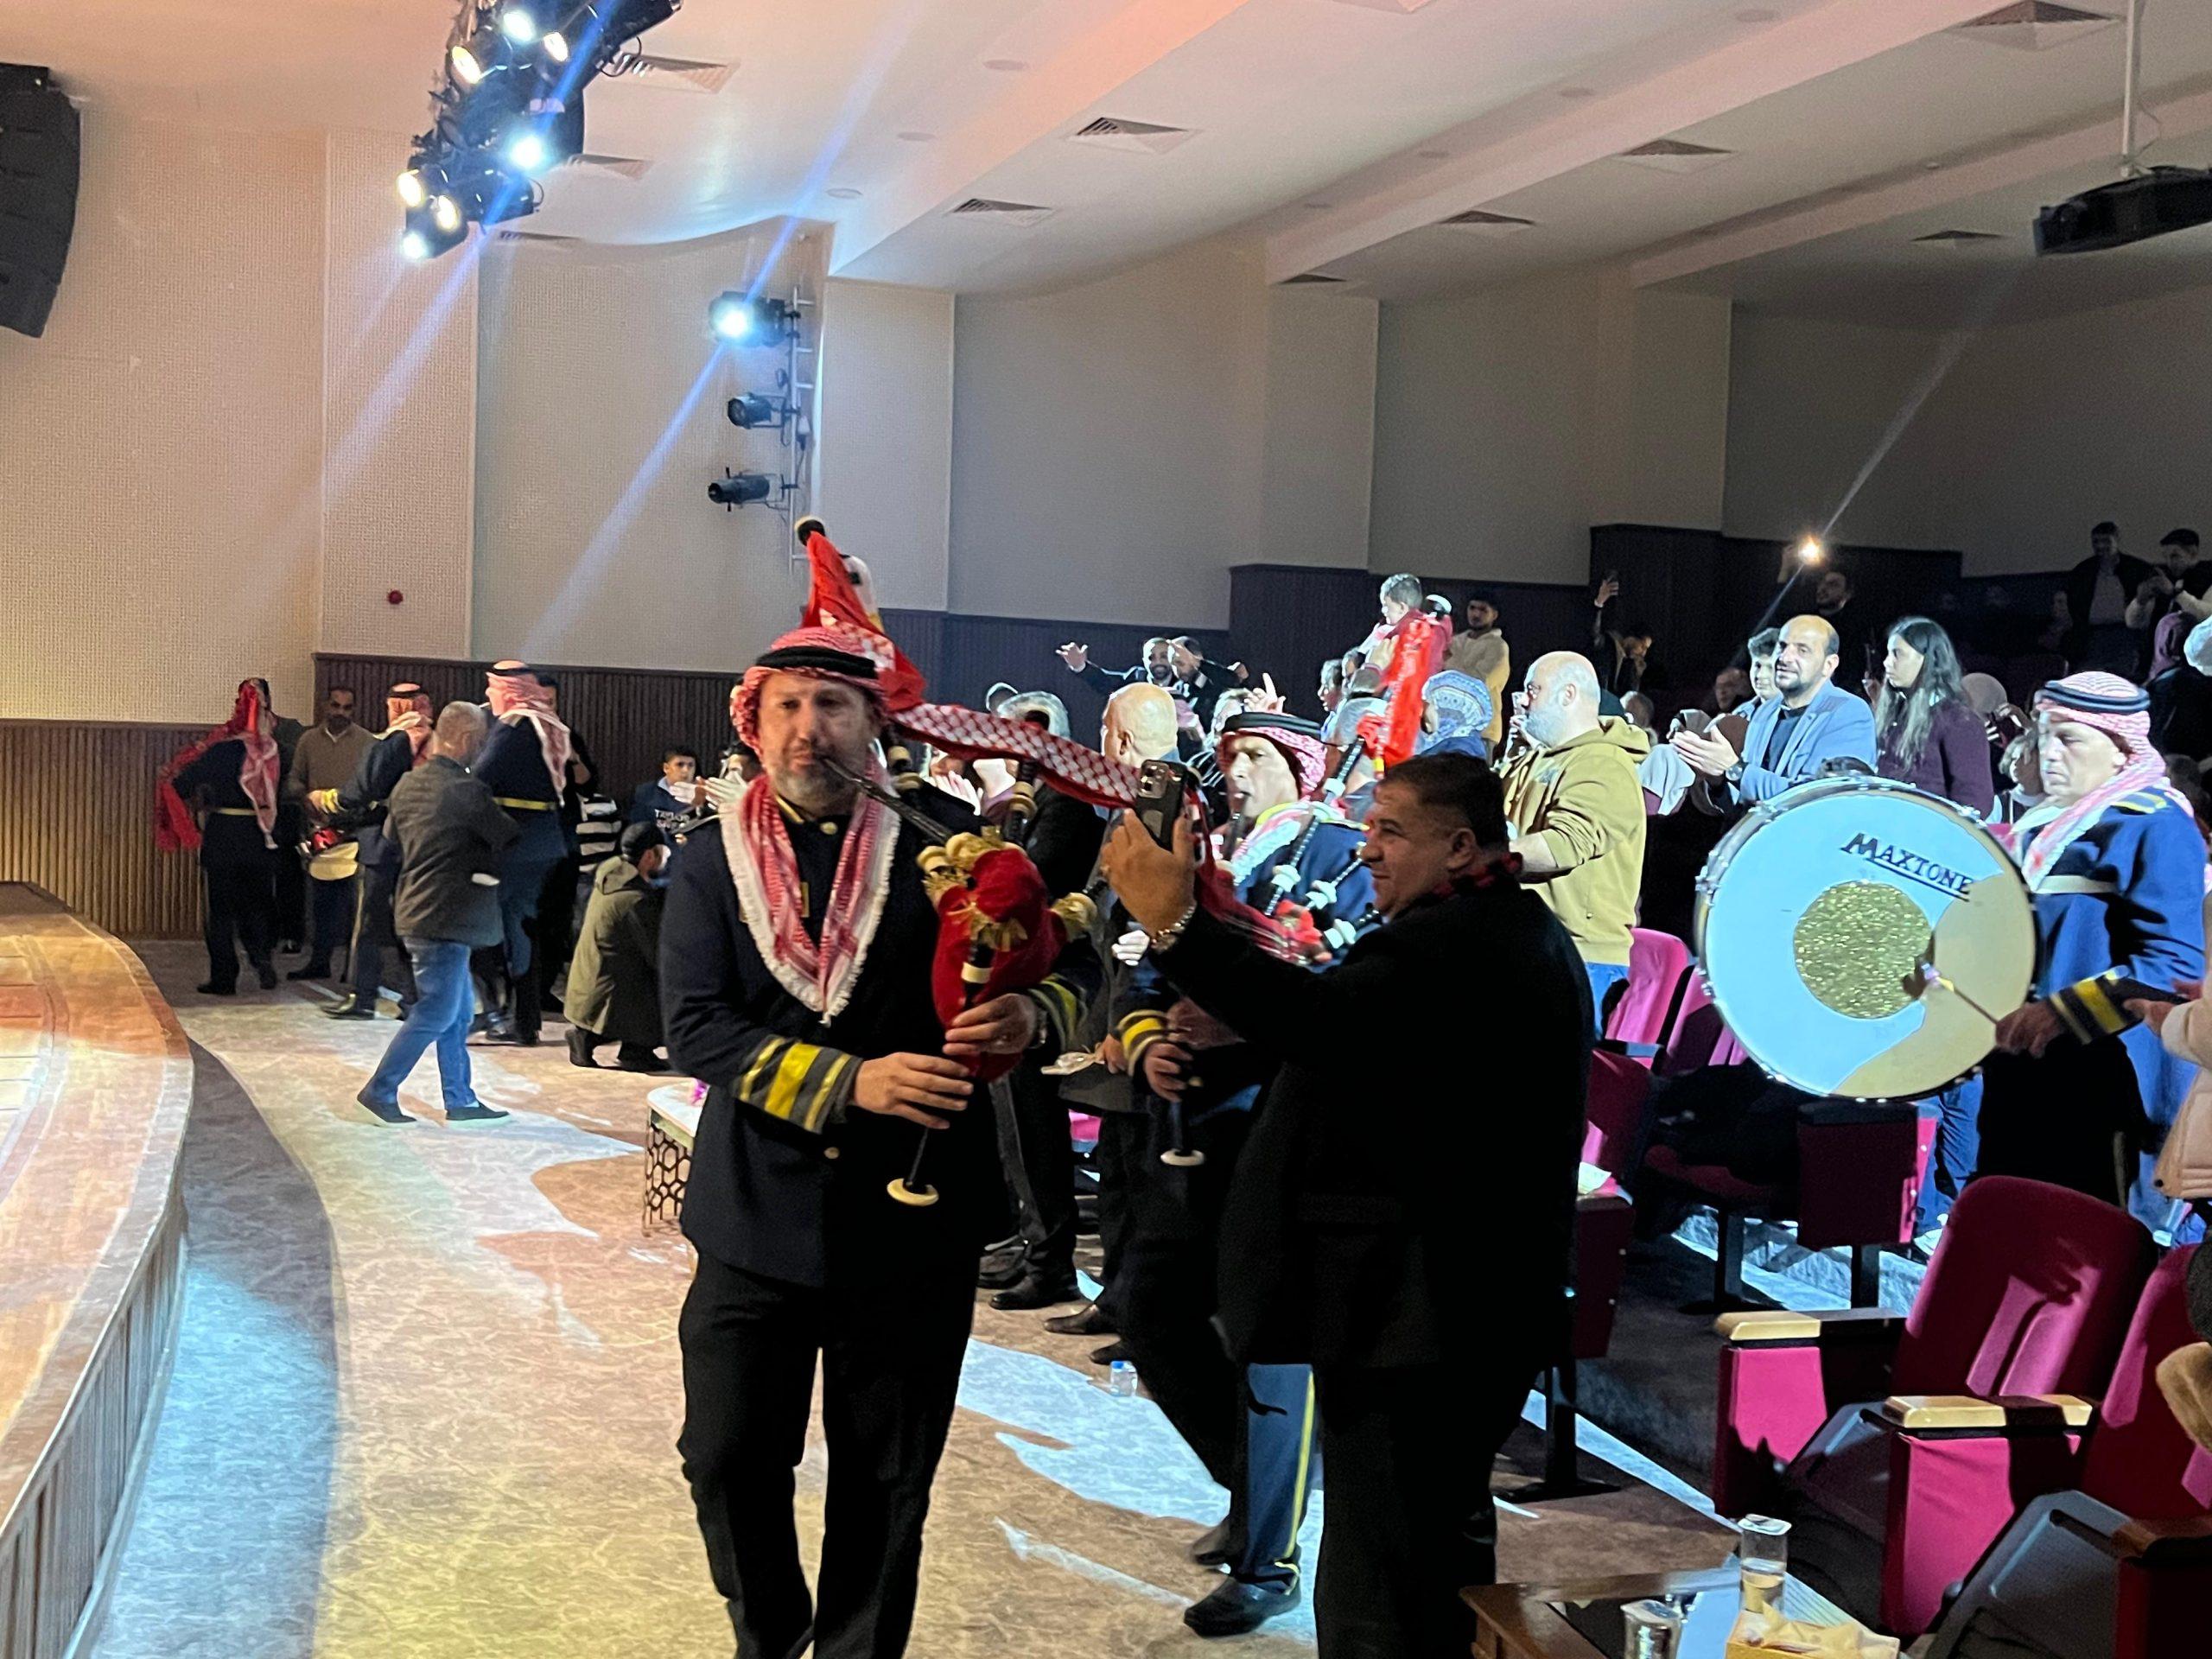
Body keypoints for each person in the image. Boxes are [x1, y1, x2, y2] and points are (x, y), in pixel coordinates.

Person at [660, 626, 1091, 1659]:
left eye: (832, 706)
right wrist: (853, 1082)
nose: (807, 729)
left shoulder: (955, 845)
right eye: (787, 707)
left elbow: (1072, 966)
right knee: (724, 1456)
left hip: (914, 1219)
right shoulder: (712, 858)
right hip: (754, 1214)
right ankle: (769, 1637)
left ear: (873, 722)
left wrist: (1031, 1017)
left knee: (888, 1478)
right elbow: (697, 1027)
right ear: (755, 723)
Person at [1100, 752, 1587, 1658]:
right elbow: (1365, 1043)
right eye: (1368, 828)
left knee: (1383, 1582)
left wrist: (1175, 924)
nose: (1366, 850)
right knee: (1420, 1556)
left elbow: (1329, 1024)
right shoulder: (1486, 929)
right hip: (1441, 1314)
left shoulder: (1460, 942)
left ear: (1460, 846)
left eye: (1390, 831)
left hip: (1428, 1319)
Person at [1113, 708, 1376, 1639]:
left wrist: (1240, 1021)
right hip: (1191, 1124)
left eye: (1258, 756)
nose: (1238, 772)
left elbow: (1340, 995)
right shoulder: (1204, 849)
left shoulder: (1340, 854)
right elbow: (1143, 964)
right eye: (1229, 757)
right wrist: (1147, 1039)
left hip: (1284, 1126)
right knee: (1147, 1308)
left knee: (1271, 1341)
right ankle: (1254, 1485)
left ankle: (1269, 1559)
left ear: (1301, 770)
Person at [1980, 673, 2206, 1211]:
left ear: (2120, 749)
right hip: (2024, 1069)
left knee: (2081, 1238)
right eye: (2043, 735)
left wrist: (2063, 1012)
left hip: (2099, 1082)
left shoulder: (2154, 822)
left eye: (2070, 738)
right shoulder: (2044, 824)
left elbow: (2175, 961)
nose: (2049, 753)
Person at [359, 702, 517, 1126]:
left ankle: (460, 1099)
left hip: (415, 907)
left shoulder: (407, 785)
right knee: (438, 1011)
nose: (482, 750)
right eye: (480, 742)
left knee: (459, 1012)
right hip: (448, 915)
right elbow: (507, 835)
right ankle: (380, 1090)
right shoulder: (467, 790)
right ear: (465, 739)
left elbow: (392, 840)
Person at [1498, 652, 1651, 1027]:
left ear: (1568, 695)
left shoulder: (1605, 764)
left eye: (1533, 690)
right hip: (1532, 943)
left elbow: (1563, 845)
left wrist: (1483, 859)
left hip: (1576, 957)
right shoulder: (1538, 757)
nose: (1523, 700)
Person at [157, 677, 285, 996]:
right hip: (262, 837)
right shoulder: (279, 750)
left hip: (224, 835)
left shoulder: (222, 750)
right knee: (259, 905)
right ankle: (263, 961)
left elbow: (181, 786)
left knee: (221, 912)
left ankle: (224, 978)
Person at [1669, 614, 1877, 806]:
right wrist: (1718, 778)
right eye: (1782, 646)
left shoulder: (1848, 712)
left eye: (1802, 650)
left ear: (1829, 665)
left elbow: (1817, 799)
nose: (1785, 657)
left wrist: (1734, 769)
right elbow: (1742, 805)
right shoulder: (1765, 712)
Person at [469, 662, 571, 1046]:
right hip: (543, 840)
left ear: (509, 691)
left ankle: (495, 1013)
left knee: (487, 926)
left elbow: (481, 776)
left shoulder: (514, 726)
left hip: (514, 843)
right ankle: (524, 1019)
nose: (488, 697)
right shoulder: (546, 723)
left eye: (493, 689)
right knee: (522, 927)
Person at [316, 683, 432, 1020]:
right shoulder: (434, 739)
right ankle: (412, 999)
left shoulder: (395, 741)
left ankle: (362, 997)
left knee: (367, 923)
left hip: (382, 843)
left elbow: (363, 789)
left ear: (396, 707)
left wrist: (329, 801)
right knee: (407, 923)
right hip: (419, 844)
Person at [283, 687, 376, 982]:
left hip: (355, 833)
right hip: (319, 832)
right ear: (326, 706)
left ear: (354, 710)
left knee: (354, 908)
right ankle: (319, 962)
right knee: (321, 904)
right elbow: (293, 780)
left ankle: (353, 969)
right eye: (336, 706)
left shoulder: (368, 742)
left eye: (347, 708)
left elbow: (374, 787)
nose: (340, 713)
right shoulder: (308, 740)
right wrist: (306, 797)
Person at [564, 822, 671, 1071]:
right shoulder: (635, 900)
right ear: (648, 856)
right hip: (605, 991)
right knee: (664, 979)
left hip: (590, 984)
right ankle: (623, 1046)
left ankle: (628, 1047)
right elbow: (658, 954)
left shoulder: (611, 874)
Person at [1872, 617, 1994, 814]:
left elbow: (1975, 801)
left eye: (1897, 654)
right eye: (1888, 653)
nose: (1887, 663)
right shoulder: (1896, 715)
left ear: (1928, 659)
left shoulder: (1958, 721)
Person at [2061, 521, 2155, 676]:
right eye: (2096, 542)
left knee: (2124, 674)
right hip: (2092, 634)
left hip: (2126, 633)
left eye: (2106, 541)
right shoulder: (2083, 571)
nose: (2101, 546)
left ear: (2117, 540)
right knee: (2090, 675)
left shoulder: (2136, 569)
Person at [1442, 594, 1510, 747]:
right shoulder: (1455, 641)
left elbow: (1480, 682)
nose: (1476, 614)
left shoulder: (1498, 646)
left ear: (1494, 615)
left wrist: (1448, 662)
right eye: (1472, 608)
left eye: (1483, 610)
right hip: (1447, 728)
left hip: (1481, 731)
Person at [1415, 671, 1493, 761]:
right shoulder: (1438, 742)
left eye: (1428, 704)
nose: (1421, 712)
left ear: (1447, 710)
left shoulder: (1461, 754)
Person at [629, 746, 707, 830]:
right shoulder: (646, 792)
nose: (686, 770)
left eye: (691, 765)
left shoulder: (704, 794)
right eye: (680, 765)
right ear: (666, 768)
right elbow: (638, 828)